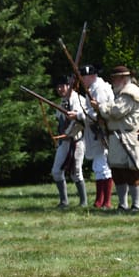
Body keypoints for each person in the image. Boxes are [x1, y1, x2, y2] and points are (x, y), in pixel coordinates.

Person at [98, 66, 139, 212]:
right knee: (117, 170)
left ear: (123, 78)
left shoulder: (129, 93)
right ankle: (122, 203)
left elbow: (116, 112)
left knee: (131, 171)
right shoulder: (122, 93)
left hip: (128, 137)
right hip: (117, 136)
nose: (113, 81)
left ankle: (136, 204)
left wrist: (101, 107)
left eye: (116, 78)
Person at [72, 64, 114, 209]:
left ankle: (105, 201)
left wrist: (78, 115)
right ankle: (100, 199)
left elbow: (100, 113)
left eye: (83, 77)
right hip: (95, 130)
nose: (82, 80)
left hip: (100, 130)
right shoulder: (94, 88)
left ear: (91, 76)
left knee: (103, 165)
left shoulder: (99, 89)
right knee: (98, 166)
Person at [50, 75, 86, 208]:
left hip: (76, 141)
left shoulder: (78, 100)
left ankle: (83, 202)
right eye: (58, 87)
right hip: (63, 142)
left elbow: (80, 122)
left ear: (69, 85)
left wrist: (68, 134)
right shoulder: (62, 102)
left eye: (62, 86)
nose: (60, 89)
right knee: (56, 171)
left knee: (76, 172)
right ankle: (64, 201)